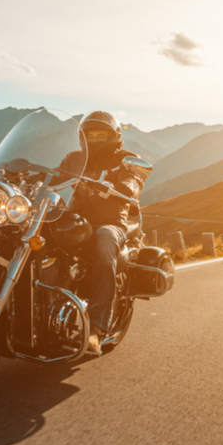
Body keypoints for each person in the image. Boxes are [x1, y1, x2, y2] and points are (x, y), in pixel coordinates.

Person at [56, 111, 146, 354]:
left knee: (105, 245)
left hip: (110, 221)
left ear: (114, 136)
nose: (94, 139)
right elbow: (52, 177)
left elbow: (133, 181)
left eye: (100, 135)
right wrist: (25, 178)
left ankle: (95, 328)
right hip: (74, 219)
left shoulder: (126, 159)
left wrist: (123, 186)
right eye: (90, 135)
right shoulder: (74, 158)